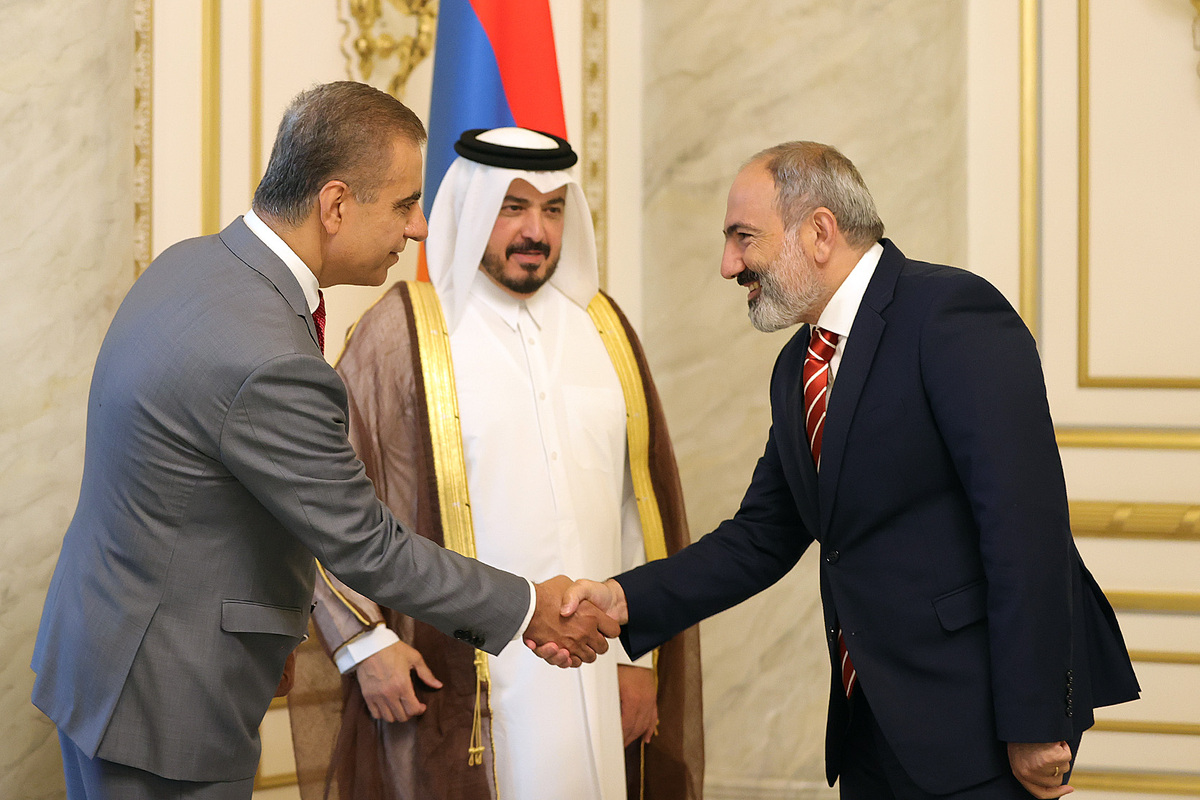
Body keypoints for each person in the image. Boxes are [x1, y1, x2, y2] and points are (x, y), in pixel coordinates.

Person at [30, 82, 618, 800]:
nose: (420, 228)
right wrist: (527, 606)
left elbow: (209, 494)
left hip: (108, 654)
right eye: (405, 204)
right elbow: (367, 546)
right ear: (336, 205)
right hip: (168, 699)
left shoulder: (195, 263)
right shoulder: (269, 354)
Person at [550, 141, 1141, 800]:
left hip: (980, 727)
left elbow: (1025, 529)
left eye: (744, 237)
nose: (728, 265)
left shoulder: (951, 313)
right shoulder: (796, 365)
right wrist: (624, 599)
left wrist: (1035, 719)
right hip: (871, 730)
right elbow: (762, 536)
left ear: (820, 231)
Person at [288, 127, 704, 800]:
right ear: (473, 208)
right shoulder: (404, 331)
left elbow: (639, 507)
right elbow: (321, 500)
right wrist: (364, 645)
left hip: (596, 679)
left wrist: (640, 656)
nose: (536, 230)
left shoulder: (604, 330)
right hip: (460, 683)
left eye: (553, 209)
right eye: (513, 207)